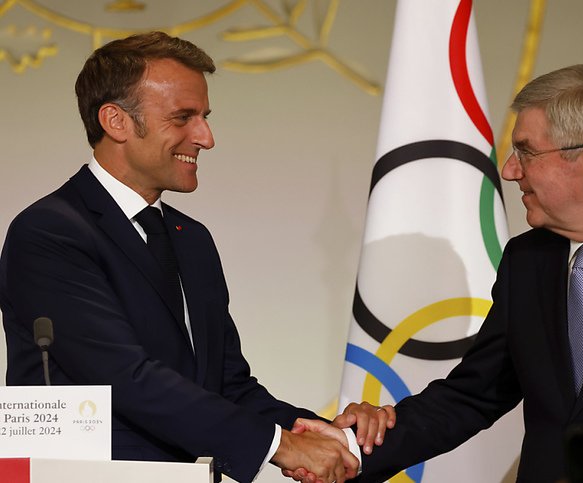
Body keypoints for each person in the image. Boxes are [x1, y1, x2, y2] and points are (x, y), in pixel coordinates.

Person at [0, 31, 392, 483]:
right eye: (183, 117)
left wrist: (331, 434)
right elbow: (126, 378)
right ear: (116, 121)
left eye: (204, 117)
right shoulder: (51, 232)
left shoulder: (192, 239)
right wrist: (281, 446)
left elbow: (227, 386)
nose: (206, 137)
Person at [333, 64, 583, 482]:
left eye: (526, 152)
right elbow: (474, 395)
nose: (509, 170)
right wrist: (354, 446)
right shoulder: (527, 260)